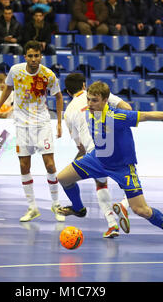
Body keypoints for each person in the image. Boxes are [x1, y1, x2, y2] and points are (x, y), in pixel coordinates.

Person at [57, 81, 163, 240]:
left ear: (105, 100)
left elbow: (147, 115)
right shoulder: (90, 112)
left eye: (94, 100)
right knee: (63, 178)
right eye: (88, 99)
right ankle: (78, 209)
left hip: (122, 167)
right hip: (97, 159)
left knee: (141, 210)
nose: (89, 104)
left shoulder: (116, 116)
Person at [0, 41, 65, 223]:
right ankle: (32, 207)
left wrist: (59, 123)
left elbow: (59, 97)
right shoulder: (15, 70)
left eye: (36, 56)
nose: (33, 59)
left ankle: (56, 204)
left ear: (40, 56)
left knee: (50, 165)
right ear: (25, 57)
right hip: (21, 124)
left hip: (42, 123)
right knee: (24, 166)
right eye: (30, 56)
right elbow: (8, 89)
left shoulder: (48, 75)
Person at [63, 73, 132, 238]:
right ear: (84, 85)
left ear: (67, 91)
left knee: (100, 184)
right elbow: (128, 109)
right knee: (131, 184)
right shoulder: (99, 96)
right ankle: (124, 204)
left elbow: (79, 145)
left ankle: (111, 224)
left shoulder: (68, 112)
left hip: (94, 151)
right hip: (115, 145)